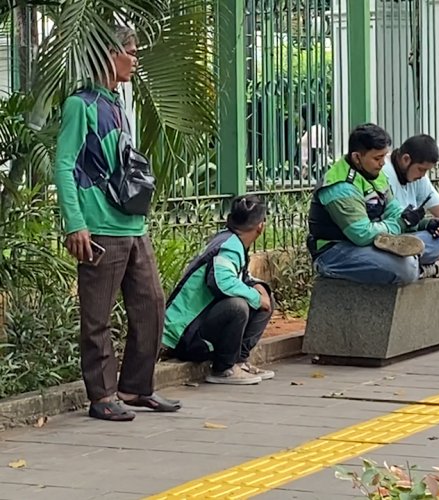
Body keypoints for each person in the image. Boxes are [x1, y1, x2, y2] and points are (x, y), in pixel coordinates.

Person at [54, 25, 181, 421]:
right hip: (99, 226)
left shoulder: (116, 103)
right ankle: (102, 395)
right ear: (110, 54)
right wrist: (76, 223)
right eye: (132, 51)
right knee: (98, 315)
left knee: (152, 305)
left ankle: (136, 387)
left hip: (132, 225)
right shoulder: (82, 104)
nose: (136, 59)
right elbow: (64, 163)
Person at [307, 123, 439, 285]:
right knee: (407, 268)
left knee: (436, 241)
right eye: (377, 158)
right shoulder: (341, 186)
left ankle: (409, 262)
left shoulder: (375, 174)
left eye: (384, 157)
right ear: (357, 157)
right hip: (337, 252)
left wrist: (421, 224)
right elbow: (362, 235)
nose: (383, 163)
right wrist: (401, 223)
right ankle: (421, 270)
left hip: (374, 242)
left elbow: (394, 211)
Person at [162, 195, 275, 385]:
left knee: (265, 295)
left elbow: (239, 276)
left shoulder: (230, 241)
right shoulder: (229, 246)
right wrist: (256, 297)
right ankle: (224, 368)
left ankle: (239, 360)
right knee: (237, 306)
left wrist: (259, 288)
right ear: (261, 227)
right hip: (185, 336)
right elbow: (221, 282)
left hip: (195, 328)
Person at [383, 134, 439, 273]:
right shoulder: (384, 172)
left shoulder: (415, 174)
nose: (423, 175)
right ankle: (434, 266)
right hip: (388, 238)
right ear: (406, 159)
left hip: (409, 236)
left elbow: (438, 206)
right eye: (421, 169)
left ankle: (432, 261)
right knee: (428, 244)